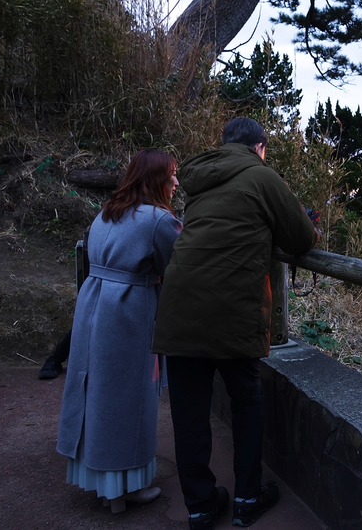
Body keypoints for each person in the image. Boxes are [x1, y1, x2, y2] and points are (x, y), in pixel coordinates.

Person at [152, 117, 319, 530]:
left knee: (189, 412)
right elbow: (299, 238)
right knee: (247, 402)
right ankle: (247, 498)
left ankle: (201, 505)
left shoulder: (200, 179)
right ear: (260, 147)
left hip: (179, 308)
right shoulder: (262, 176)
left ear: (224, 144)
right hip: (232, 311)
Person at [56, 148, 182, 514]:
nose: (176, 181)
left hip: (94, 303)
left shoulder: (106, 213)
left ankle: (104, 483)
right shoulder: (159, 220)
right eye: (171, 174)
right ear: (155, 178)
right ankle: (124, 488)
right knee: (129, 397)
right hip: (130, 310)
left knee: (96, 390)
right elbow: (177, 268)